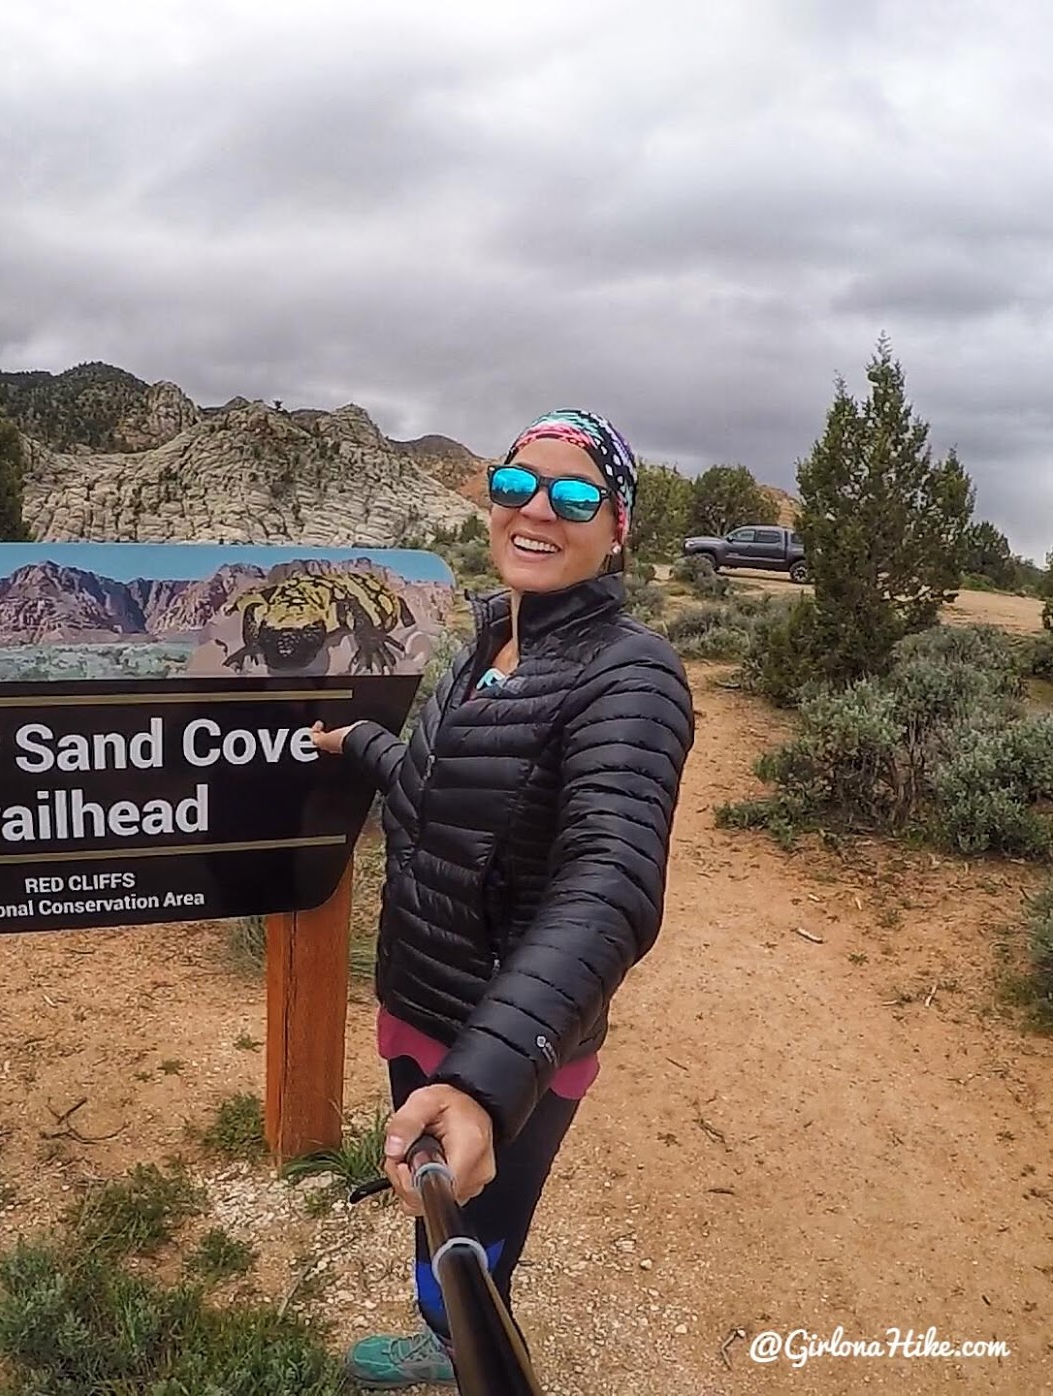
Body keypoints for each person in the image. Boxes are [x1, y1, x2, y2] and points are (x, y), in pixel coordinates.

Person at [311, 408, 696, 1388]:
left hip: (505, 1041)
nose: (536, 510)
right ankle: (437, 1340)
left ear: (617, 528)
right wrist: (358, 744)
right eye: (515, 484)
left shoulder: (631, 672)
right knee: (431, 1207)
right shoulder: (488, 647)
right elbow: (437, 794)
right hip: (420, 1003)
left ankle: (462, 1355)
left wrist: (486, 1080)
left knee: (479, 1240)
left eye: (573, 495)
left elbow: (609, 880)